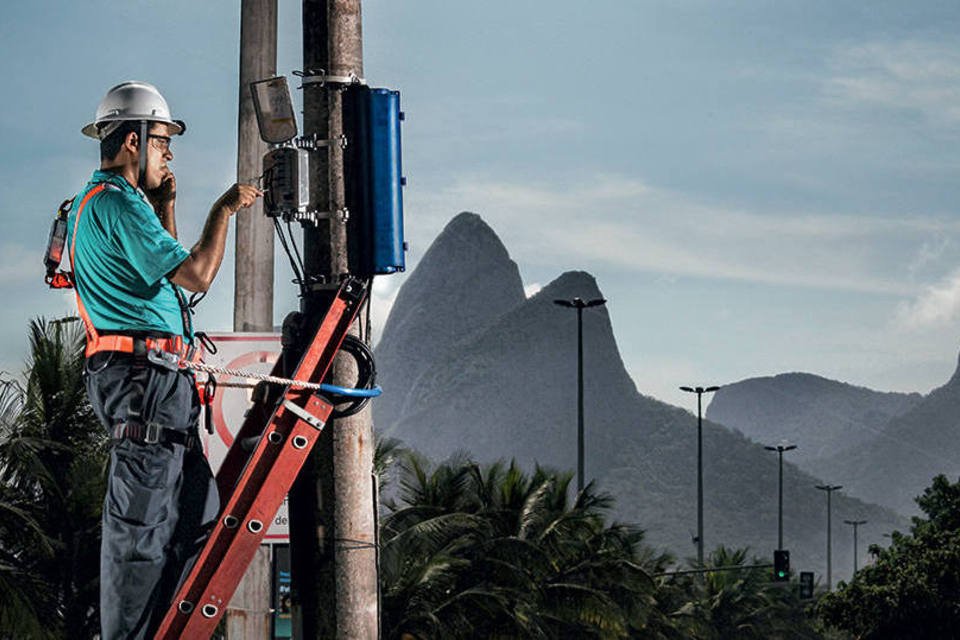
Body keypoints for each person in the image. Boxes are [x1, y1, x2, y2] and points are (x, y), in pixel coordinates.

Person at [68, 81, 261, 639]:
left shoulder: (126, 206)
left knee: (195, 518)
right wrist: (225, 209)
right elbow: (197, 274)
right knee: (141, 535)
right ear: (133, 140)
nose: (168, 153)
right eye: (162, 143)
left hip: (155, 382)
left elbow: (170, 282)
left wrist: (168, 205)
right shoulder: (116, 202)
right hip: (142, 382)